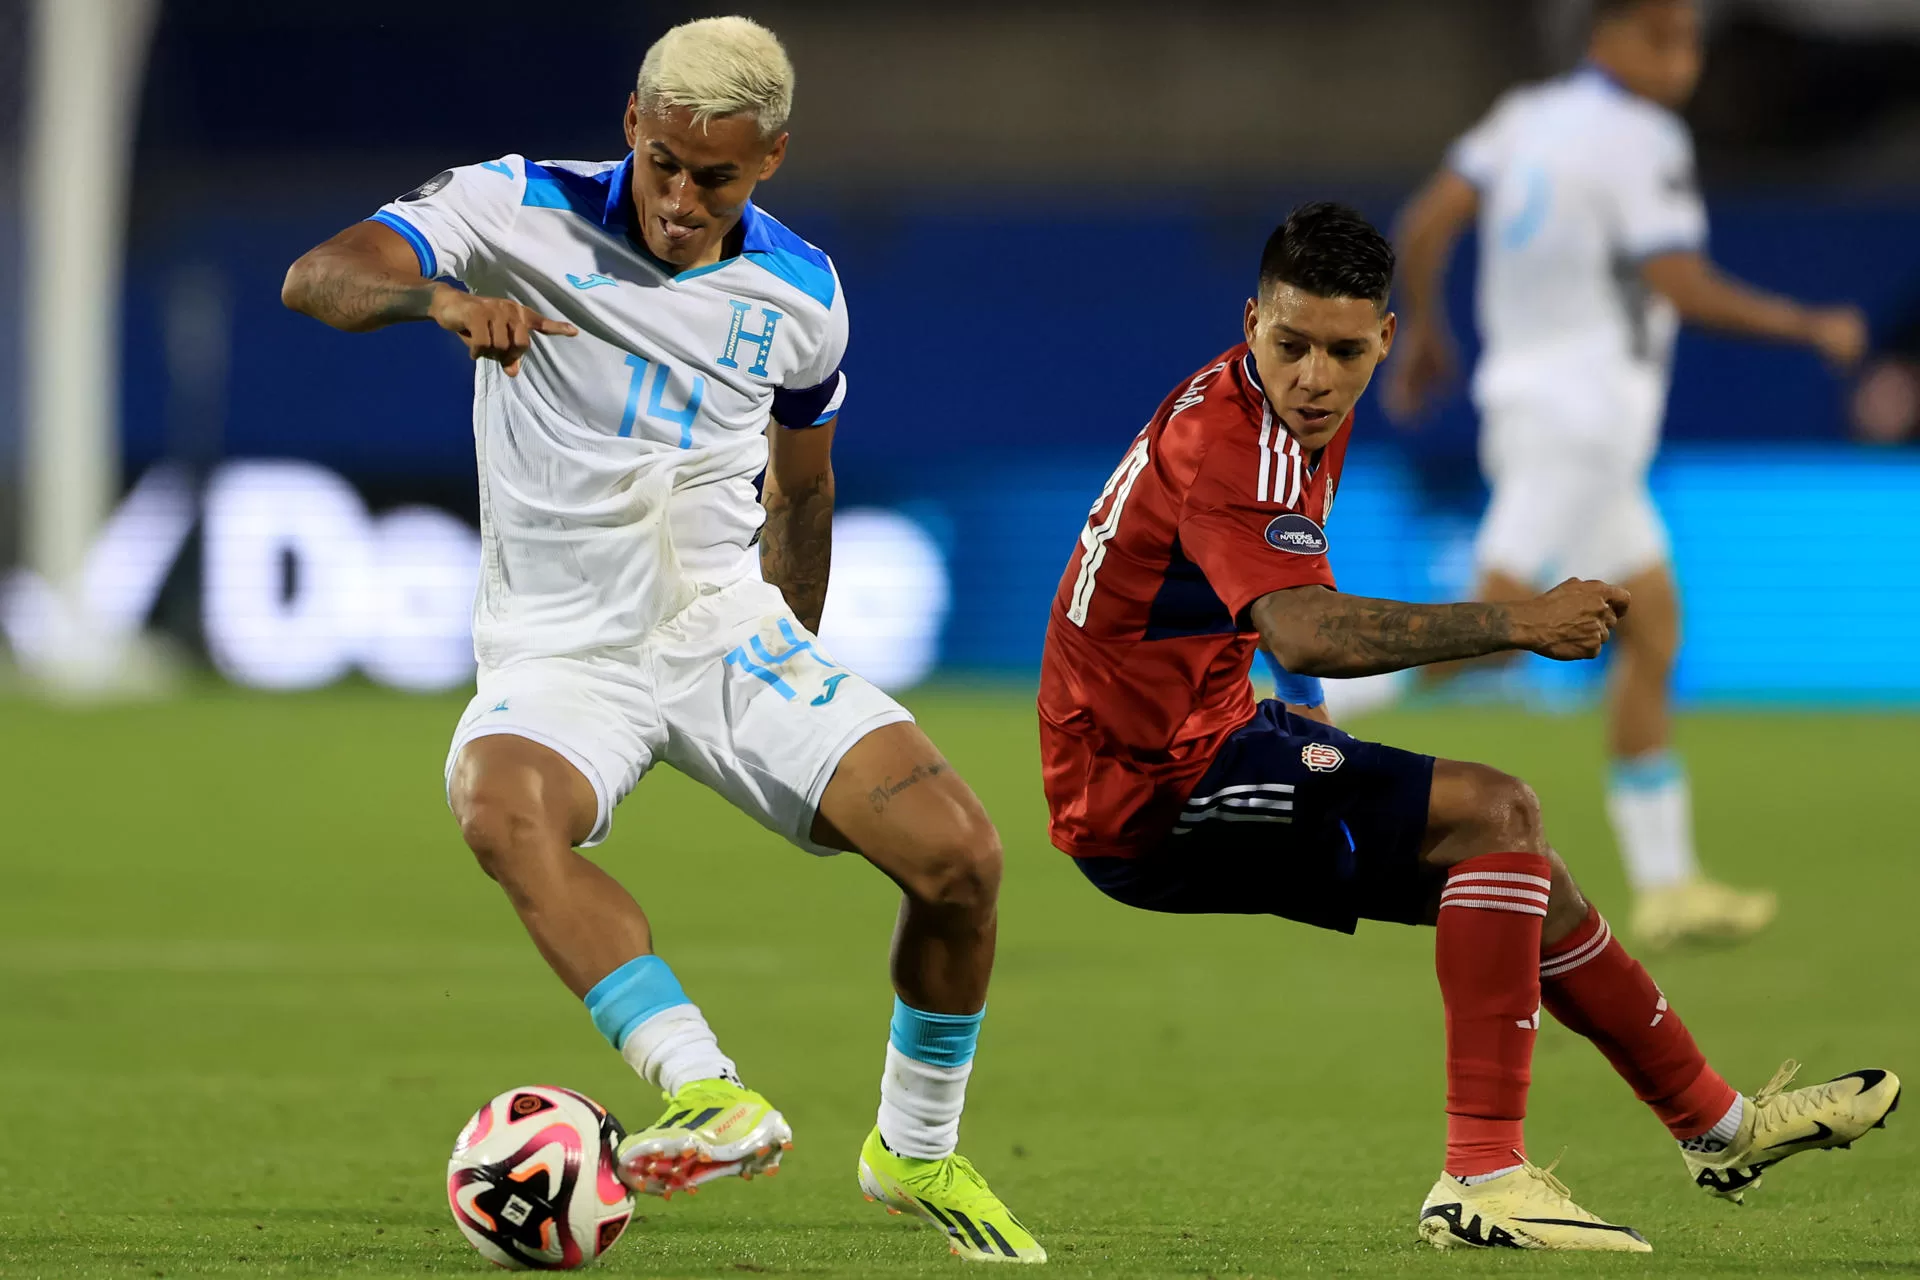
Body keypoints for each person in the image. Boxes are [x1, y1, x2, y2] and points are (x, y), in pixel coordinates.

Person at [281, 16, 1042, 1263]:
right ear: (634, 122)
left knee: (961, 859)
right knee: (498, 806)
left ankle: (913, 1151)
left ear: (773, 161)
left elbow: (802, 492)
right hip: (558, 648)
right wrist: (439, 299)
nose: (682, 199)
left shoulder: (803, 297)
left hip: (719, 628)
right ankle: (703, 1085)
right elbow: (316, 275)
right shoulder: (512, 207)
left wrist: (796, 684)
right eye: (665, 164)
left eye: (717, 178)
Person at [1037, 202, 1898, 1252]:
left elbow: (1248, 600)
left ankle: (1717, 1125)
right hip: (1148, 786)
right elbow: (1302, 626)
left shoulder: (1282, 407)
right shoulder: (1233, 443)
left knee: (1527, 868)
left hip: (1202, 736)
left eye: (1343, 351)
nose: (1314, 375)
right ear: (1250, 318)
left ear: (1384, 338)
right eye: (1290, 343)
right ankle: (1482, 1173)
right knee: (1499, 810)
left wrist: (1301, 716)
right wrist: (1516, 620)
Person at [1388, 0, 1868, 949]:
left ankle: (1669, 884)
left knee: (1652, 620)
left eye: (1691, 40)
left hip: (1544, 407)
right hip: (1584, 419)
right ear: (1611, 36)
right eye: (1667, 37)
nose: (1685, 61)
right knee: (1496, 625)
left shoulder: (1522, 117)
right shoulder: (1642, 136)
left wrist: (1432, 335)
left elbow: (1426, 220)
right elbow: (1681, 283)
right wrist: (1809, 327)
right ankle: (1311, 687)